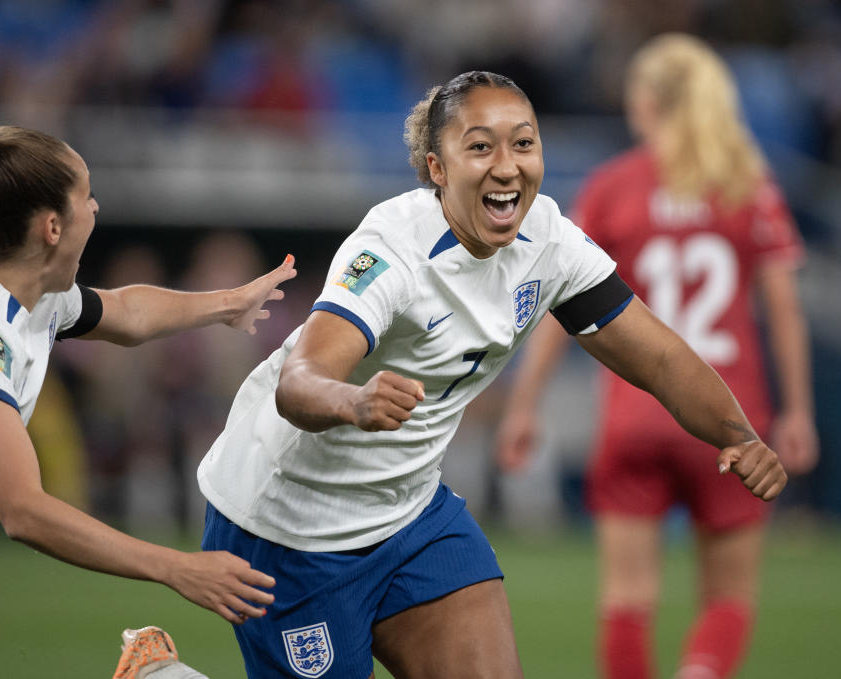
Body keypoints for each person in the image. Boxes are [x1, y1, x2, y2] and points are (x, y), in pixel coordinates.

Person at [196, 70, 788, 679]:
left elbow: (660, 357)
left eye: (523, 143)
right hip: (287, 527)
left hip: (408, 514)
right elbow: (299, 382)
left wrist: (737, 436)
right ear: (437, 168)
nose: (507, 166)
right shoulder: (391, 249)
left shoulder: (548, 239)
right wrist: (353, 401)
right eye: (480, 147)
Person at [0, 117, 297, 677]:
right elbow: (25, 510)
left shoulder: (29, 297)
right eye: (87, 196)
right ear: (52, 227)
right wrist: (177, 567)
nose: (97, 208)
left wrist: (228, 303)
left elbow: (126, 312)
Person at [495, 35, 818, 679]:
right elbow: (783, 308)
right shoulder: (746, 184)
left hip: (635, 415)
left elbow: (564, 309)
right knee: (729, 601)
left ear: (646, 101)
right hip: (729, 417)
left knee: (626, 602)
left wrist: (523, 405)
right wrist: (799, 412)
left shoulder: (614, 187)